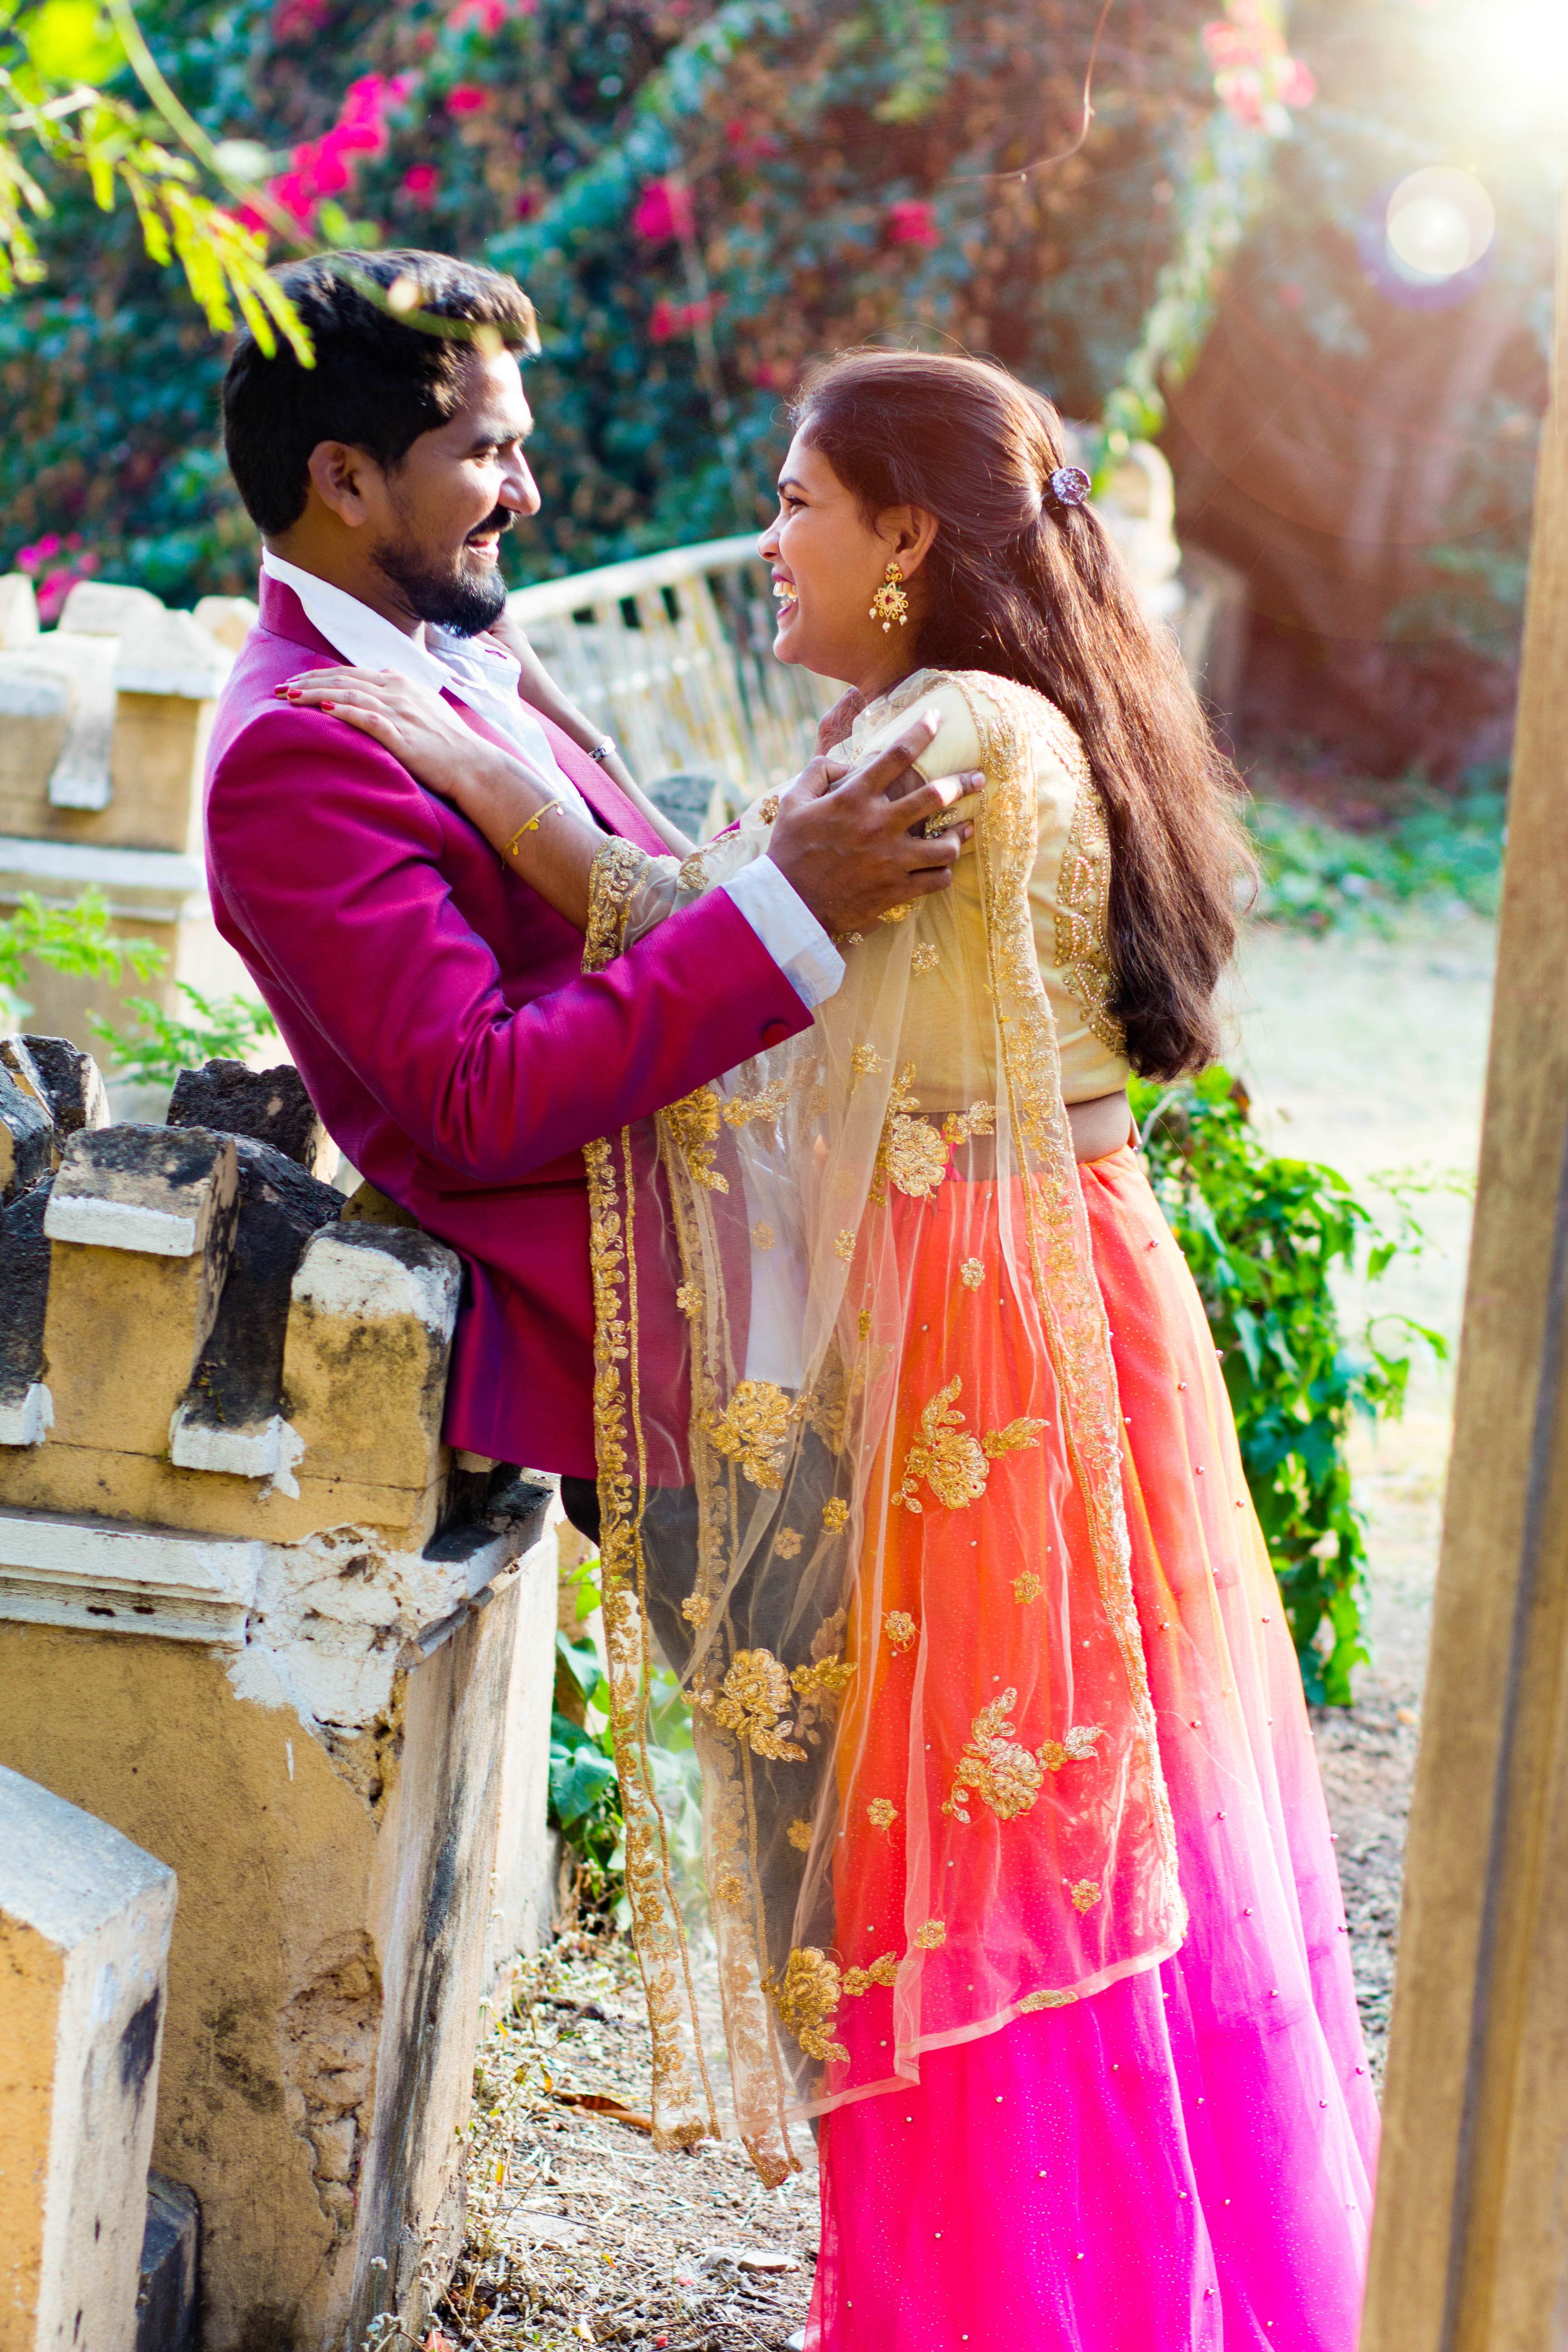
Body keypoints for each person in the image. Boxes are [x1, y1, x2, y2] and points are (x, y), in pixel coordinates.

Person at [283, 348, 1378, 2351]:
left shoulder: (946, 739)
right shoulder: (988, 708)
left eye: (799, 504)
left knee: (968, 1884)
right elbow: (768, 940)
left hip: (993, 1342)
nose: (770, 541)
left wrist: (498, 786)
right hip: (1044, 1302)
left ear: (909, 539)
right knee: (1057, 1864)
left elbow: (739, 985)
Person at [205, 254, 981, 1488]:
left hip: (804, 1276)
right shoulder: (296, 748)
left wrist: (541, 704)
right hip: (665, 1340)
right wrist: (794, 901)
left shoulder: (451, 646)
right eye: (486, 455)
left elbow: (624, 884)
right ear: (344, 479)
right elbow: (479, 1097)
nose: (529, 493)